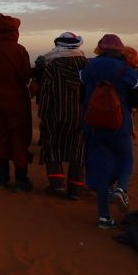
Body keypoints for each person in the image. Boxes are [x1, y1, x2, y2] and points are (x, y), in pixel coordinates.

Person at [80, 34, 138, 229]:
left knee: (102, 171)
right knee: (126, 159)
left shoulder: (89, 67)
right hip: (119, 125)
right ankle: (121, 189)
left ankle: (104, 219)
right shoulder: (127, 70)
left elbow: (81, 94)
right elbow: (135, 101)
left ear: (100, 48)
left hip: (93, 125)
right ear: (120, 49)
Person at [0, 11, 32, 192]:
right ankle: (21, 180)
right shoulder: (19, 50)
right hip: (17, 102)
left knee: (0, 138)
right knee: (18, 140)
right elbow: (26, 76)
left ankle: (1, 179)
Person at [38, 32, 88, 199]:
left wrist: (43, 114)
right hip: (81, 115)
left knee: (52, 147)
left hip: (55, 114)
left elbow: (46, 93)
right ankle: (75, 190)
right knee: (77, 151)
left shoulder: (52, 65)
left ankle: (57, 185)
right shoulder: (86, 65)